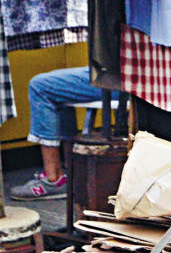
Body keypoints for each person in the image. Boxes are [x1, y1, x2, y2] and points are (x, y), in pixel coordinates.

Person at [10, 67, 111, 201]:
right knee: (56, 82)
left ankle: (54, 179)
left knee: (40, 86)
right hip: (133, 77)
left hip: (119, 79)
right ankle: (73, 172)